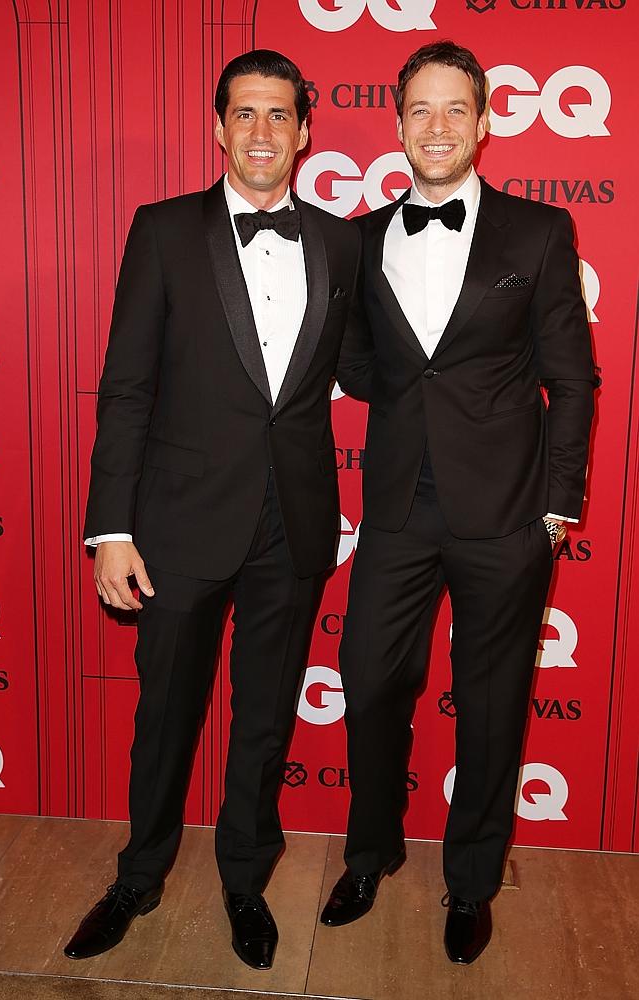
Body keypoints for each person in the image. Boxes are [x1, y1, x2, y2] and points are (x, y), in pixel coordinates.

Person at [64, 48, 360, 971]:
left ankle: (245, 878)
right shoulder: (161, 230)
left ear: (305, 130)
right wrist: (111, 528)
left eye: (281, 116)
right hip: (180, 523)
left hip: (295, 522)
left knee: (266, 717)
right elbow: (126, 387)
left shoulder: (342, 241)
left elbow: (378, 371)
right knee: (166, 714)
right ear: (218, 126)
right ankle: (139, 876)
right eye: (246, 114)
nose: (263, 133)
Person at [323, 40, 597, 965]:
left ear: (484, 124)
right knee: (368, 685)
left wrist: (558, 503)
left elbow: (574, 379)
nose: (436, 127)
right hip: (396, 508)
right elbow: (358, 362)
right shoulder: (358, 240)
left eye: (455, 110)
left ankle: (472, 880)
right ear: (397, 124)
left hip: (508, 514)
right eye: (418, 111)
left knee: (489, 703)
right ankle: (369, 854)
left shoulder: (539, 232)